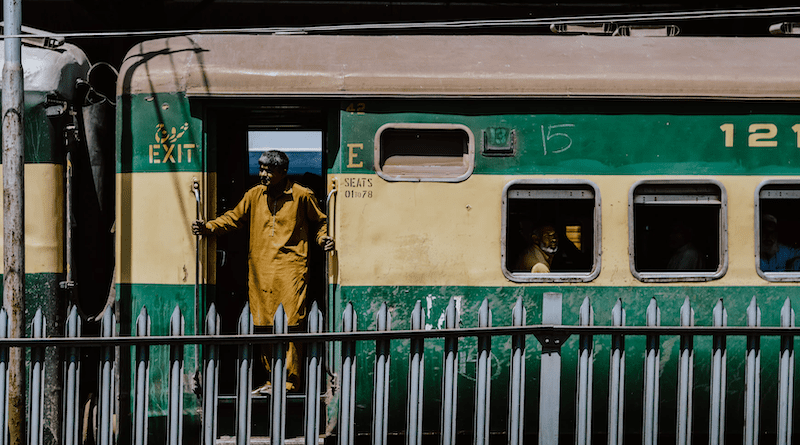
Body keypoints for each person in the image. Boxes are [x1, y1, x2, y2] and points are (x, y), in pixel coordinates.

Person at [192, 150, 333, 393]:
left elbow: (320, 221)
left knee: (291, 325)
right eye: (261, 169)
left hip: (292, 269)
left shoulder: (302, 195)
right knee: (264, 324)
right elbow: (233, 218)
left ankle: (290, 381)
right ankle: (271, 380)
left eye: (269, 170)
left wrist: (322, 239)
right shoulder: (254, 195)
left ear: (283, 172)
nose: (263, 175)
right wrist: (208, 227)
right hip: (260, 270)